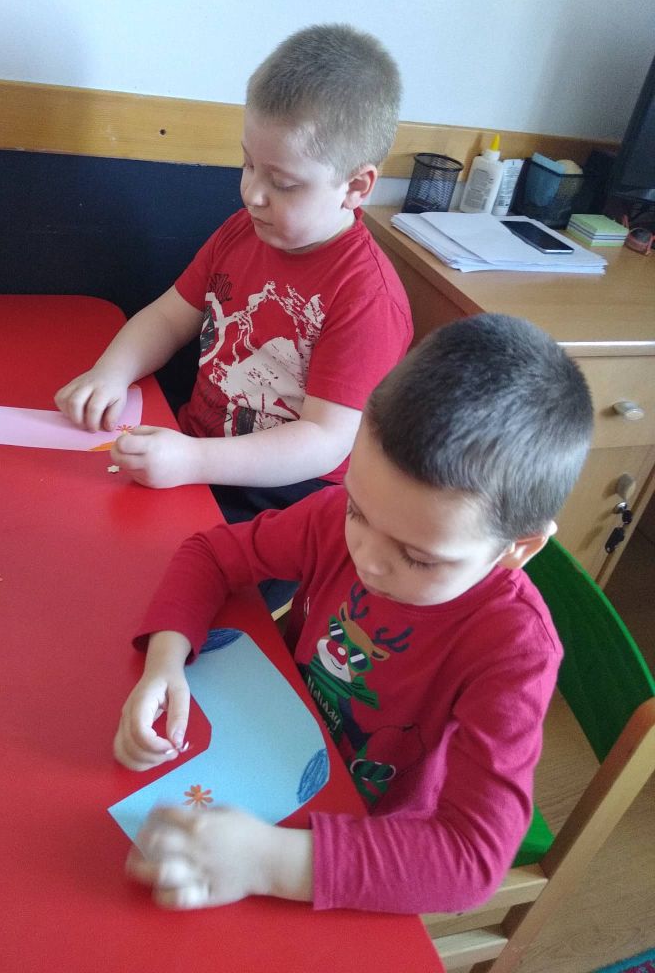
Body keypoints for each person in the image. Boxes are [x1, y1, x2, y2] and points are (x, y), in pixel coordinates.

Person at [113, 313, 594, 915]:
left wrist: (267, 862)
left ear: (519, 548)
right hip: (265, 744)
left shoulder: (514, 649)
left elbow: (470, 861)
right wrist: (166, 660)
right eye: (358, 512)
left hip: (363, 835)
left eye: (418, 558)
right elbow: (212, 554)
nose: (368, 557)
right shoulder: (339, 513)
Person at [55, 24, 412, 537]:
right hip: (192, 455)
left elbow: (324, 441)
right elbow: (168, 317)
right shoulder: (243, 230)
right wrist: (112, 372)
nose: (252, 194)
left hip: (285, 503)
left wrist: (192, 460)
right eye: (247, 164)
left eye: (282, 183)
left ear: (356, 186)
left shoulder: (367, 297)